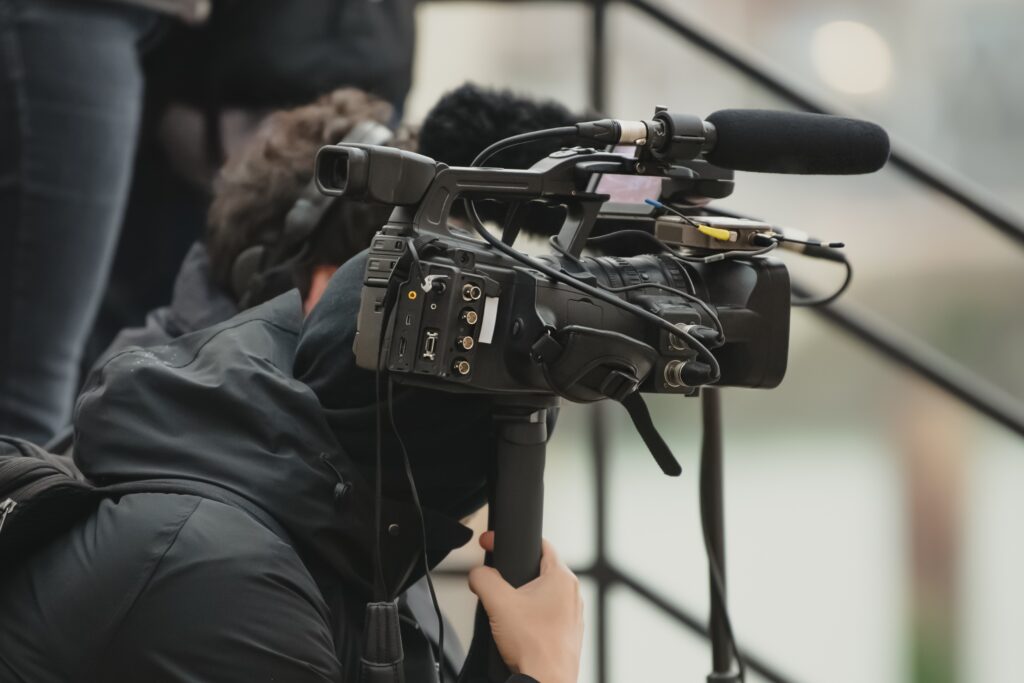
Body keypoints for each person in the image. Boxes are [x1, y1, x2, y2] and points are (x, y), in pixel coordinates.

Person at [0, 85, 586, 682]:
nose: (451, 330)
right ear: (334, 285)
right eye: (426, 302)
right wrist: (546, 671)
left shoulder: (307, 491)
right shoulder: (212, 558)